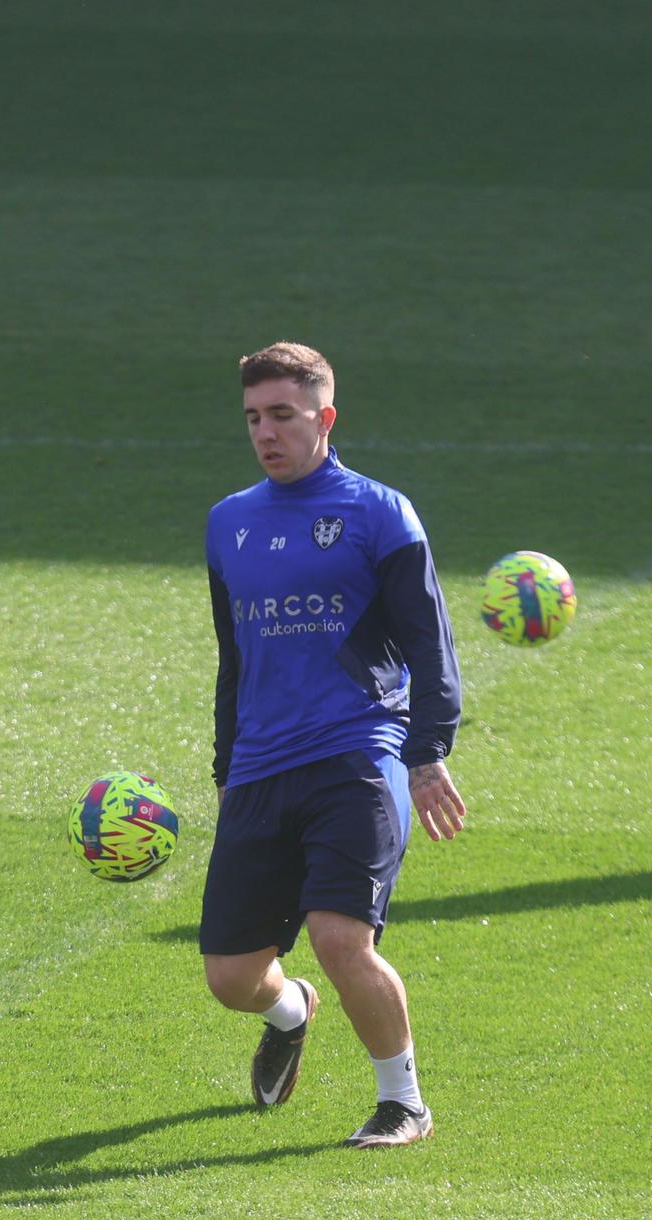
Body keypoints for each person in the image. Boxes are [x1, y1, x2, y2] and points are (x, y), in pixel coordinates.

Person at [201, 342, 466, 1149]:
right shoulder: (228, 522)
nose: (265, 432)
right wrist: (225, 766)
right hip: (260, 768)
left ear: (326, 417)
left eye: (282, 414)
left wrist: (426, 754)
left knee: (341, 935)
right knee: (232, 978)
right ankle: (293, 1008)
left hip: (359, 752)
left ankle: (403, 1102)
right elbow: (234, 656)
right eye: (253, 417)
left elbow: (432, 644)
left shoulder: (379, 512)